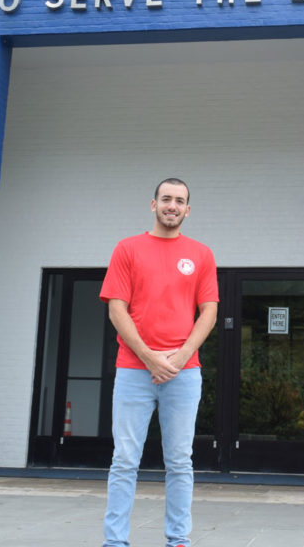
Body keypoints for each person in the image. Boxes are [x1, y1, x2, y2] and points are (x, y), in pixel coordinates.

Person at [99, 178, 219, 547]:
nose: (172, 205)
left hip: (184, 375)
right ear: (153, 204)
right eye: (166, 199)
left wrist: (179, 358)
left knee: (180, 461)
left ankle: (178, 540)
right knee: (124, 460)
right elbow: (116, 309)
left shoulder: (201, 254)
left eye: (179, 200)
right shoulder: (128, 249)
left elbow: (209, 312)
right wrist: (151, 358)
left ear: (187, 209)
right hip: (133, 370)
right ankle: (115, 541)